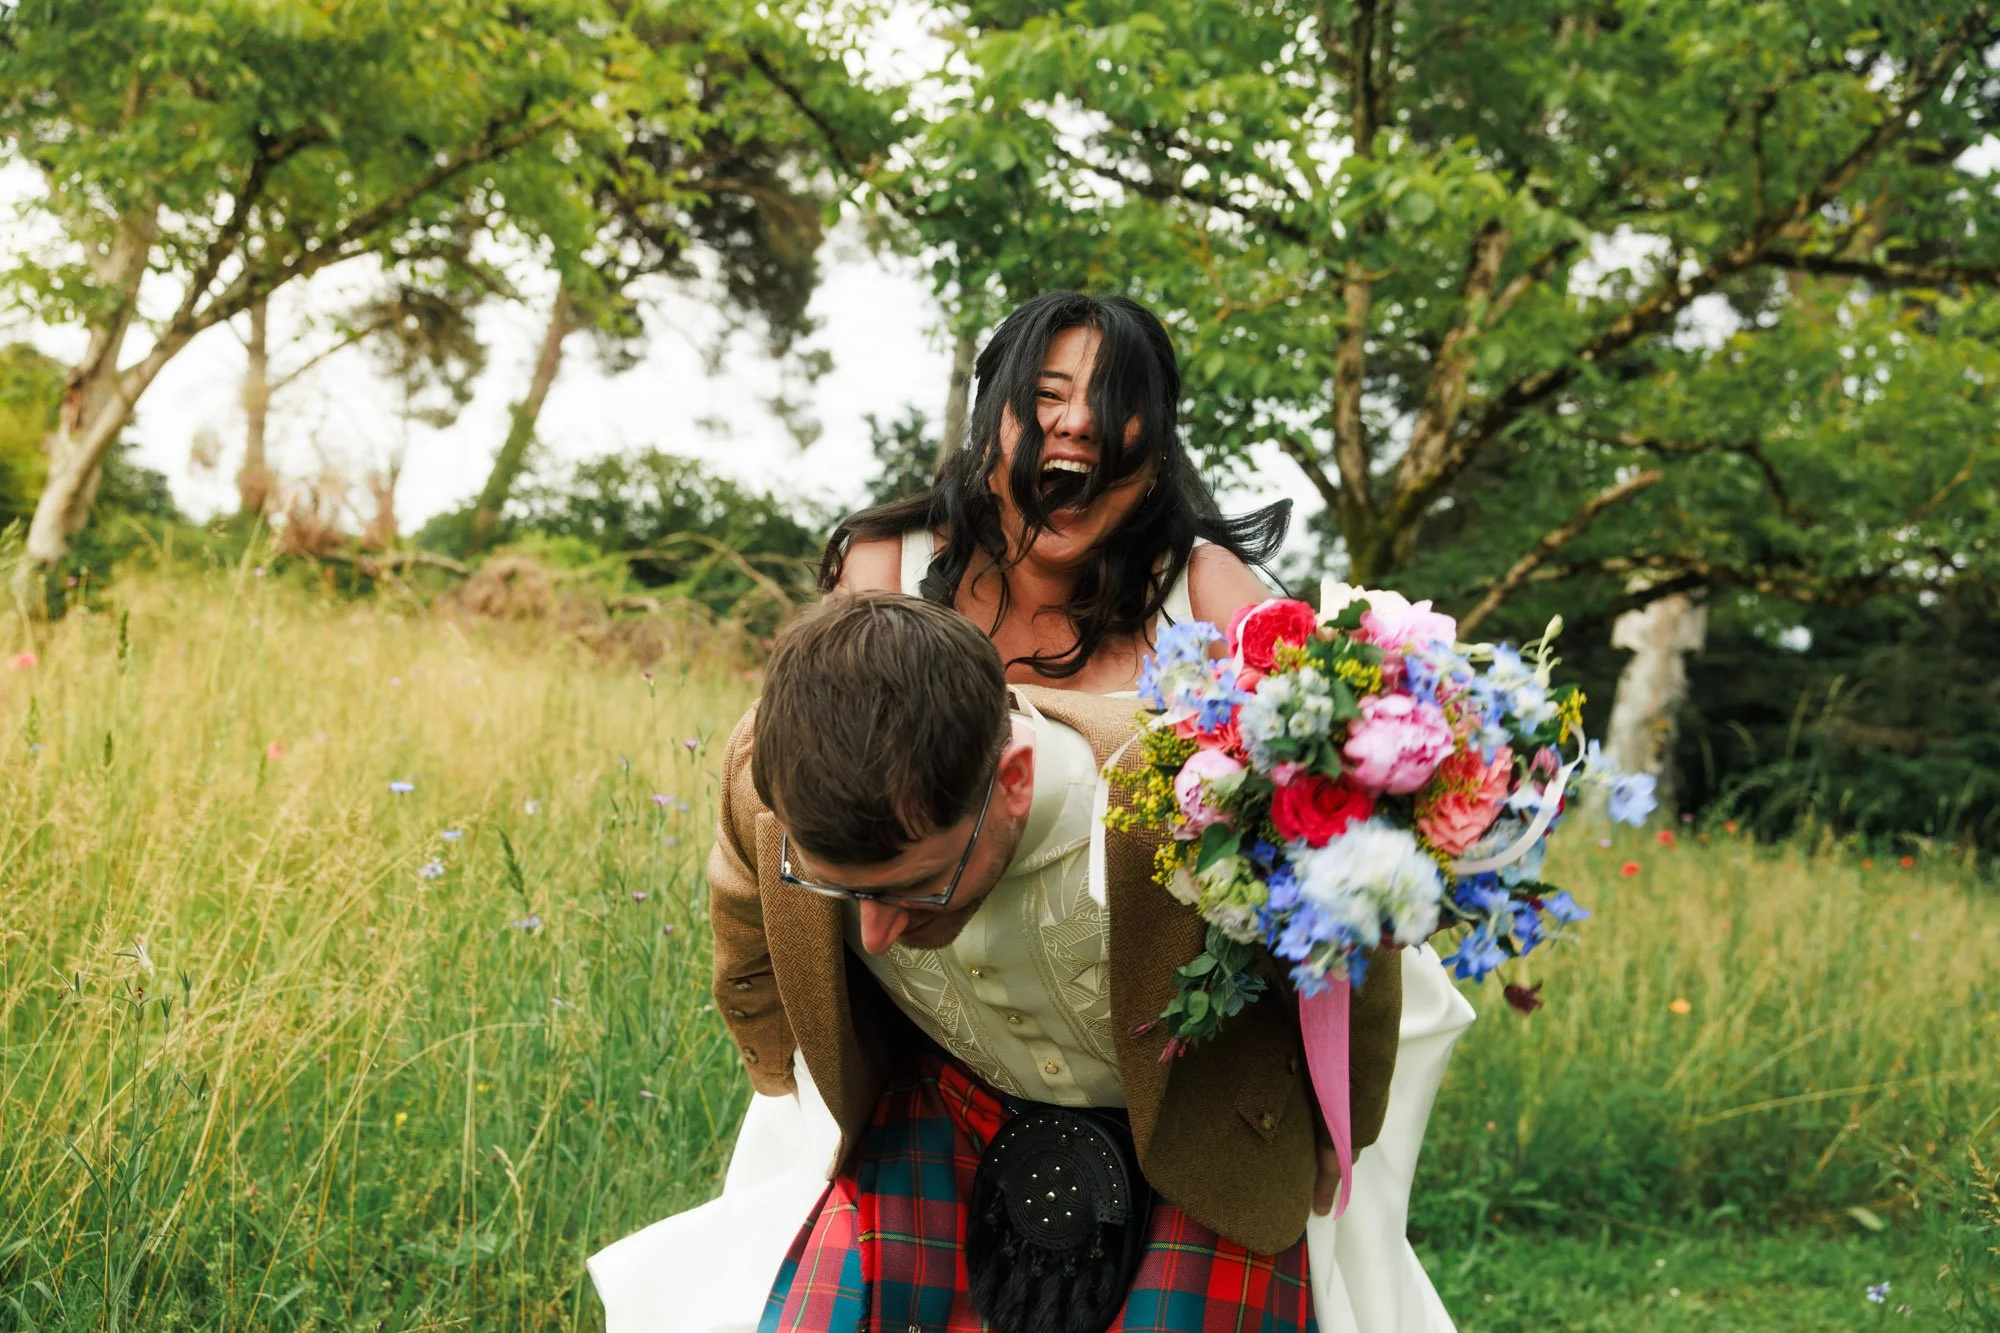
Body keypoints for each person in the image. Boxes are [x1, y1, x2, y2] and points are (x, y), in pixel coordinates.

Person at [675, 594, 1401, 1332]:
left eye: (921, 887)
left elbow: (1347, 964)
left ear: (1013, 775)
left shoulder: (1201, 793)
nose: (877, 931)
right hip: (945, 1096)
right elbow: (743, 911)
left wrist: (1342, 1132)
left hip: (1195, 1128)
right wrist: (777, 1076)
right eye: (838, 884)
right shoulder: (771, 772)